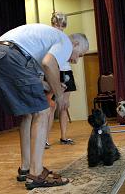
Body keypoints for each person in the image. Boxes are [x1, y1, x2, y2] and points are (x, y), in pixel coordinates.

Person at [0, 24, 89, 190]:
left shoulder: (43, 43)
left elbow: (37, 79)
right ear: (75, 44)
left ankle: (25, 168)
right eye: (80, 55)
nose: (76, 60)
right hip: (12, 57)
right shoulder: (65, 42)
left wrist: (52, 86)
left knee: (29, 113)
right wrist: (60, 96)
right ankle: (36, 173)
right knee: (43, 110)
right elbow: (48, 63)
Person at [45, 12, 77, 148]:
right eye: (57, 24)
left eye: (62, 24)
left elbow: (72, 58)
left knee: (64, 106)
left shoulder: (65, 38)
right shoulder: (48, 36)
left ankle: (63, 137)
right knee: (51, 107)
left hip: (66, 71)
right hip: (54, 72)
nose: (59, 27)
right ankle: (44, 139)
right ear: (53, 23)